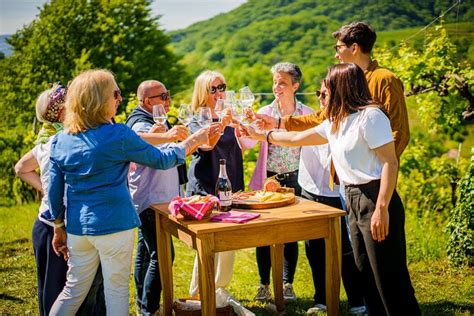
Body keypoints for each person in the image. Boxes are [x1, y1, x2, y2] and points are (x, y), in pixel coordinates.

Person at [242, 63, 420, 315]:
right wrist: (261, 135)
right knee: (365, 270)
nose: (322, 93)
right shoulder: (336, 120)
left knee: (388, 275)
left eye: (328, 86)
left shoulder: (371, 116)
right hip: (352, 198)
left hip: (375, 196)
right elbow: (294, 138)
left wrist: (381, 208)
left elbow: (391, 162)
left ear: (343, 87)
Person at [47, 69, 213, 315]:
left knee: (73, 290)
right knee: (116, 291)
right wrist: (194, 141)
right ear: (100, 99)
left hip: (78, 228)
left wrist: (58, 226)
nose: (119, 99)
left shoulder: (60, 140)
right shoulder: (118, 134)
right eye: (115, 93)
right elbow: (162, 159)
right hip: (115, 224)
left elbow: (54, 190)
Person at [14, 84, 105, 316]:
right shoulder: (62, 141)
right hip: (57, 228)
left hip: (55, 226)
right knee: (63, 294)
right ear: (62, 112)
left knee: (64, 293)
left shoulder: (49, 140)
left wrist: (49, 190)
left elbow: (22, 168)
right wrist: (50, 190)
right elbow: (22, 168)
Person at [256, 21, 409, 158]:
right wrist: (277, 122)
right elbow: (323, 118)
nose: (336, 55)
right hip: (346, 178)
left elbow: (398, 132)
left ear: (354, 48)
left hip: (372, 180)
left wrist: (380, 170)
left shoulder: (385, 79)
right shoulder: (345, 82)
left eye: (338, 48)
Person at [240, 62, 312, 302]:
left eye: (282, 82)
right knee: (264, 235)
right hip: (268, 180)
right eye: (274, 82)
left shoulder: (307, 114)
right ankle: (264, 285)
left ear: (295, 85)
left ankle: (287, 284)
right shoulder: (265, 112)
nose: (276, 87)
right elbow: (248, 143)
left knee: (290, 235)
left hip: (296, 180)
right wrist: (243, 127)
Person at [125, 80, 189, 316]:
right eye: (162, 97)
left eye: (168, 95)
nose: (168, 100)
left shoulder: (153, 118)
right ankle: (151, 309)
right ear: (146, 102)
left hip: (147, 197)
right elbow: (139, 139)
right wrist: (177, 138)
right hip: (153, 198)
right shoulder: (142, 122)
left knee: (145, 253)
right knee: (162, 256)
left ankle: (144, 306)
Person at [187, 70, 244, 297]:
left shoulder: (229, 117)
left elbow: (246, 143)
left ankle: (219, 289)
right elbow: (206, 146)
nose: (220, 92)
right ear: (203, 93)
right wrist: (221, 123)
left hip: (231, 185)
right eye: (214, 89)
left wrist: (243, 123)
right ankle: (197, 293)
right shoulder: (196, 121)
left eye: (222, 87)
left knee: (228, 242)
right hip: (205, 186)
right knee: (207, 243)